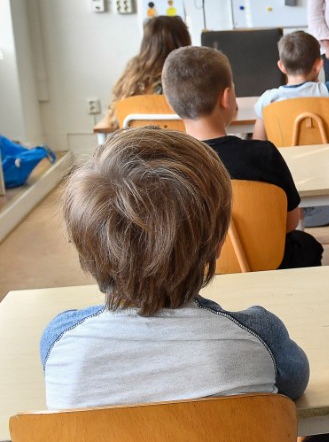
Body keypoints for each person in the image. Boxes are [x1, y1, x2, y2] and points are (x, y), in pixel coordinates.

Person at [40, 127, 310, 409]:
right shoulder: (260, 336)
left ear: (85, 251)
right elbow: (295, 383)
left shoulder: (59, 341)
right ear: (219, 243)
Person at [162, 46, 323, 269]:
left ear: (171, 104)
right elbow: (290, 222)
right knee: (307, 244)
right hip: (269, 265)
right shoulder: (263, 154)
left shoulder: (165, 166)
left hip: (197, 274)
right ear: (227, 98)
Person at [97, 16, 191, 129]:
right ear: (184, 41)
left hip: (139, 145)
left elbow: (109, 123)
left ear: (146, 43)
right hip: (185, 145)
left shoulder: (132, 80)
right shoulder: (192, 76)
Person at [251, 31, 329, 141]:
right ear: (318, 66)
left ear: (282, 66)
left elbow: (258, 141)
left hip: (284, 157)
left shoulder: (268, 100)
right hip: (327, 156)